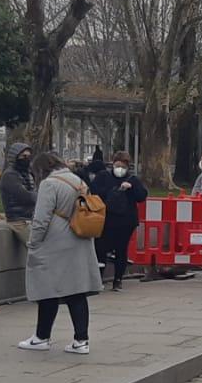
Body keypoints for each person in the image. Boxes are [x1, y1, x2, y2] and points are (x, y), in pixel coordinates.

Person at [20, 150, 102, 353]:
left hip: (55, 242)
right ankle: (81, 341)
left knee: (47, 289)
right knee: (76, 292)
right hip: (79, 240)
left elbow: (41, 219)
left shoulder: (49, 184)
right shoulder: (77, 181)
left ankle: (41, 336)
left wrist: (33, 243)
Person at [98, 150, 147, 290]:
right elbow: (95, 191)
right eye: (118, 165)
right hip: (106, 219)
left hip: (125, 221)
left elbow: (141, 196)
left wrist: (131, 189)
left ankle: (118, 279)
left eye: (123, 166)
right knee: (101, 248)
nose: (120, 169)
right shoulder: (104, 176)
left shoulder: (133, 180)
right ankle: (99, 277)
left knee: (121, 249)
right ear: (113, 164)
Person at [0, 142, 37, 241]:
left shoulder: (29, 173)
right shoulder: (10, 175)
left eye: (28, 156)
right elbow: (25, 196)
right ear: (15, 157)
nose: (26, 158)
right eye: (24, 156)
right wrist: (41, 197)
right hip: (18, 221)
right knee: (35, 245)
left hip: (30, 219)